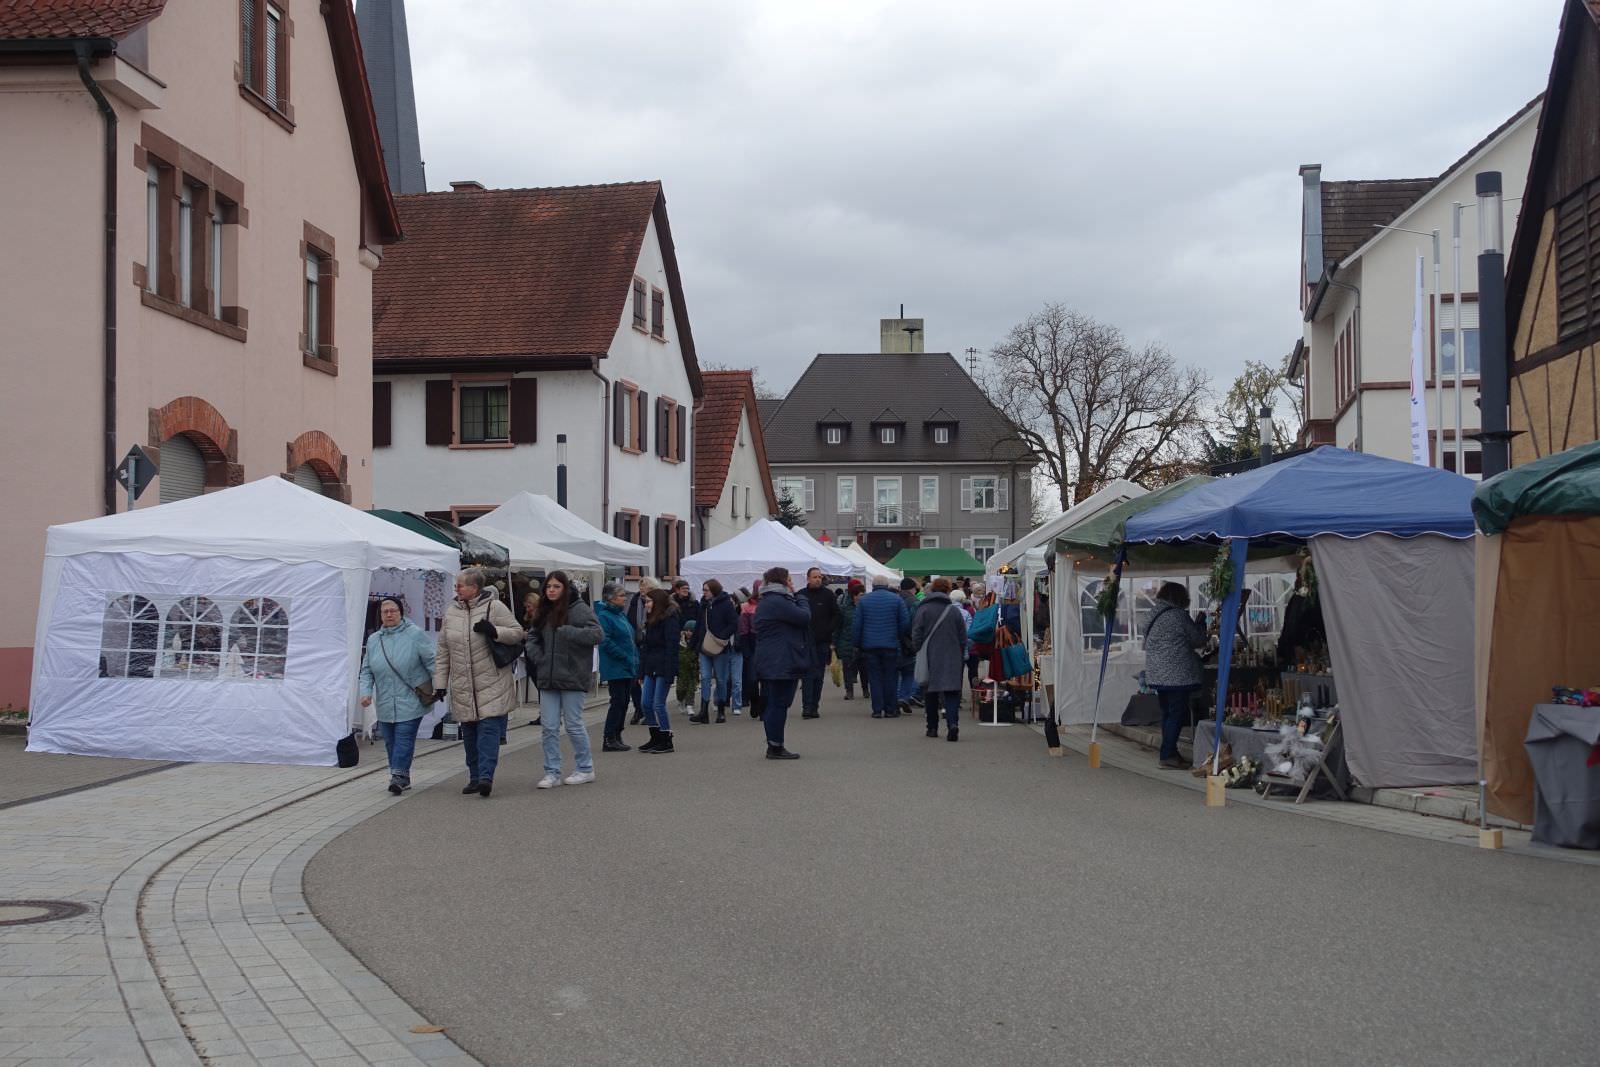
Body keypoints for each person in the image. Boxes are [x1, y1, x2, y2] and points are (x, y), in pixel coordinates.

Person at [434, 568, 524, 798]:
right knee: (470, 734)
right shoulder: (451, 612)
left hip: (491, 682)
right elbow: (443, 651)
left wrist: (494, 631)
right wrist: (440, 683)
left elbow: (517, 633)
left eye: (461, 585)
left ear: (474, 588)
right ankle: (474, 777)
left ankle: (486, 777)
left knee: (488, 732)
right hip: (463, 685)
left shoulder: (494, 607)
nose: (457, 589)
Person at [525, 570, 603, 788]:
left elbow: (597, 634)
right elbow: (532, 636)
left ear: (565, 588)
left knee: (573, 724)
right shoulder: (543, 610)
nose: (551, 590)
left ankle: (585, 768)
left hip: (572, 675)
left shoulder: (579, 609)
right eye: (548, 586)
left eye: (556, 586)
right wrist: (538, 657)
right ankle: (552, 772)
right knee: (548, 727)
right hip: (548, 676)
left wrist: (569, 631)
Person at [359, 599, 436, 795]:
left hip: (411, 698)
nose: (389, 614)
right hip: (385, 700)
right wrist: (365, 692)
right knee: (390, 741)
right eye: (385, 612)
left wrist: (440, 685)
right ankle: (402, 776)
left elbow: (431, 661)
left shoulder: (415, 634)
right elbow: (367, 670)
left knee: (404, 738)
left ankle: (398, 776)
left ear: (401, 613)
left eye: (393, 611)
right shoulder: (375, 639)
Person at [1142, 581, 1208, 769]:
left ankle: (1170, 751)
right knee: (1176, 714)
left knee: (1167, 714)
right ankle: (1167, 755)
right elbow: (1198, 640)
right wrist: (1201, 624)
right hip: (1177, 675)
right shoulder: (1178, 616)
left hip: (1157, 674)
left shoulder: (1152, 615)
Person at [754, 566, 809, 759]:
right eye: (790, 580)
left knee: (776, 703)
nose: (792, 583)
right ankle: (775, 745)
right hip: (781, 660)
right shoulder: (779, 601)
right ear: (783, 581)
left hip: (773, 659)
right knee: (779, 703)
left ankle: (774, 743)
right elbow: (804, 617)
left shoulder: (768, 600)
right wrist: (801, 597)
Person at [911, 578, 968, 741]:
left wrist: (918, 649)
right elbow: (963, 637)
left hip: (929, 655)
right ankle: (952, 723)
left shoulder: (924, 609)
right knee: (951, 692)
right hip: (952, 656)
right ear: (948, 591)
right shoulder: (954, 611)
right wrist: (959, 652)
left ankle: (932, 728)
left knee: (930, 693)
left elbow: (916, 633)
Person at [852, 574, 911, 718]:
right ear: (887, 585)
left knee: (875, 677)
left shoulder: (864, 601)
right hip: (891, 645)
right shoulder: (897, 600)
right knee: (891, 677)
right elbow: (905, 623)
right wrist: (897, 635)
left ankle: (877, 709)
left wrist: (857, 644)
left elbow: (857, 625)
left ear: (873, 586)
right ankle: (890, 709)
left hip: (870, 646)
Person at [596, 581, 639, 752]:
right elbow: (605, 641)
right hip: (616, 665)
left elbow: (629, 638)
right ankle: (609, 736)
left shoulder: (620, 615)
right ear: (611, 599)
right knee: (618, 701)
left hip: (627, 664)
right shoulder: (605, 616)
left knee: (624, 701)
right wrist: (623, 655)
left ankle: (617, 734)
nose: (624, 599)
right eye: (621, 596)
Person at [688, 579, 738, 724]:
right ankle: (703, 711)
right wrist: (692, 645)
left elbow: (734, 623)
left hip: (720, 647)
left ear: (714, 590)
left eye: (706, 590)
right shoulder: (703, 604)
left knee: (721, 679)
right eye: (703, 590)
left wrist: (721, 636)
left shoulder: (726, 604)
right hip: (704, 646)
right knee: (704, 678)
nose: (704, 593)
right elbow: (698, 625)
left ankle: (721, 710)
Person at [637, 588, 680, 753]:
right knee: (645, 703)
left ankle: (666, 738)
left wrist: (670, 673)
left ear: (657, 603)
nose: (646, 605)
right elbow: (645, 648)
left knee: (658, 704)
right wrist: (641, 671)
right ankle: (654, 736)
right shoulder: (651, 620)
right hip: (650, 666)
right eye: (645, 601)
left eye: (648, 601)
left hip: (663, 666)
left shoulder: (670, 619)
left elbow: (672, 647)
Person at [798, 567, 839, 719]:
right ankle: (807, 707)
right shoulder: (801, 595)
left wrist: (829, 631)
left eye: (820, 577)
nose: (817, 579)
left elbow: (836, 615)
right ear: (808, 578)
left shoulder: (828, 595)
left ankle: (815, 705)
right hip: (805, 642)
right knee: (807, 674)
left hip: (822, 642)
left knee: (818, 675)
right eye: (815, 577)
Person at [625, 577, 657, 725]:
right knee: (634, 679)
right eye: (640, 586)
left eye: (644, 586)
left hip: (650, 645)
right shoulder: (633, 601)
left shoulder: (657, 603)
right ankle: (639, 708)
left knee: (650, 679)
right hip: (635, 644)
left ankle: (649, 709)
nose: (641, 588)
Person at [671, 578, 700, 713]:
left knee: (693, 676)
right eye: (684, 589)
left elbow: (699, 618)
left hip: (693, 637)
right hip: (678, 638)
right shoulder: (671, 604)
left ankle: (690, 704)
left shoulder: (694, 603)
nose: (686, 591)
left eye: (688, 589)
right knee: (682, 676)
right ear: (677, 590)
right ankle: (681, 698)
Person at [836, 579, 867, 701]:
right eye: (860, 595)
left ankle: (865, 689)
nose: (862, 597)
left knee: (864, 669)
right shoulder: (844, 609)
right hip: (847, 642)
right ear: (854, 596)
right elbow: (838, 627)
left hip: (863, 643)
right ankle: (849, 691)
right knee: (847, 668)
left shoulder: (866, 608)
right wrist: (834, 642)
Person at [897, 577, 922, 712]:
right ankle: (906, 696)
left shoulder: (895, 599)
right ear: (913, 589)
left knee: (896, 672)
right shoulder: (915, 603)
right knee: (909, 671)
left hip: (894, 641)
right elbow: (916, 624)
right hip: (909, 641)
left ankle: (897, 696)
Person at [738, 588, 762, 720]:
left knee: (766, 681)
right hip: (752, 647)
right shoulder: (746, 607)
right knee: (752, 679)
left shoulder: (769, 605)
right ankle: (755, 701)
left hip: (767, 646)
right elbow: (743, 629)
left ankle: (764, 707)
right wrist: (746, 650)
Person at [726, 589, 746, 716]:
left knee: (737, 680)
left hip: (737, 650)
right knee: (723, 678)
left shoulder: (741, 617)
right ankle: (719, 700)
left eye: (732, 602)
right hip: (723, 650)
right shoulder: (721, 617)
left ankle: (737, 704)